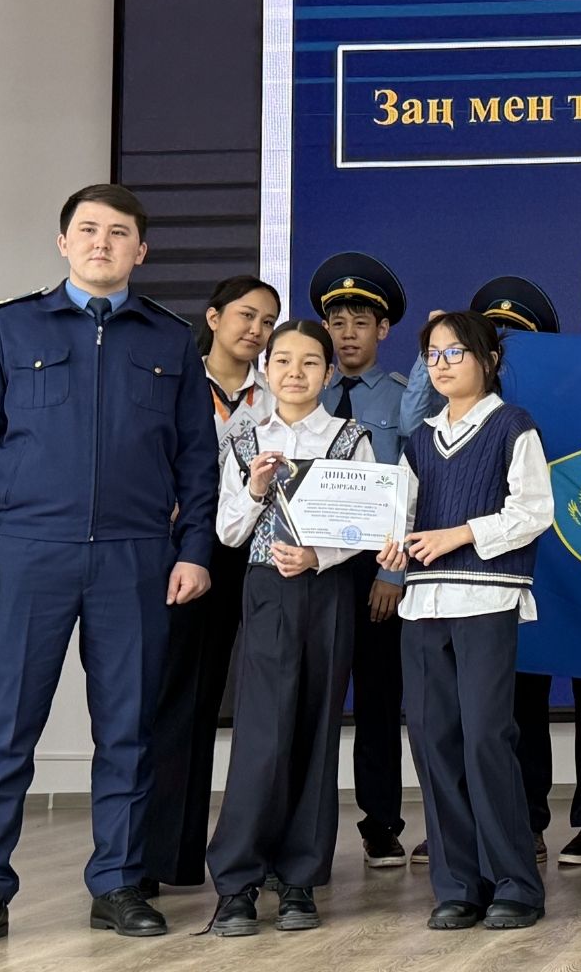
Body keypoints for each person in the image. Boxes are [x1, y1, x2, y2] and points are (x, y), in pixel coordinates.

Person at [0, 184, 216, 951]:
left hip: (136, 557)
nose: (101, 242)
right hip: (28, 552)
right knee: (5, 729)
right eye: (87, 229)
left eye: (118, 232)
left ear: (140, 251)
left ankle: (119, 884)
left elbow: (198, 463)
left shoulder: (170, 339)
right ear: (64, 243)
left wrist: (194, 550)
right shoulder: (9, 326)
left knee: (128, 729)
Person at [378, 310, 552, 931]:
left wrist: (457, 534)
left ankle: (515, 883)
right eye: (433, 354)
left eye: (455, 352)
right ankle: (457, 884)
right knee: (433, 741)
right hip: (423, 605)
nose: (442, 364)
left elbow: (534, 511)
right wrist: (389, 545)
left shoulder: (512, 426)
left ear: (489, 360)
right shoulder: (418, 441)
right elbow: (399, 518)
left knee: (485, 738)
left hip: (486, 600)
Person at [204, 320, 374, 936]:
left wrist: (318, 556)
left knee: (317, 728)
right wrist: (254, 489)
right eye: (282, 361)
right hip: (266, 591)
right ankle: (237, 882)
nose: (294, 373)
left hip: (327, 590)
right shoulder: (245, 439)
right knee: (261, 734)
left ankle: (299, 879)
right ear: (266, 369)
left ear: (328, 373)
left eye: (309, 362)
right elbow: (228, 532)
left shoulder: (351, 437)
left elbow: (366, 524)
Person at [142, 276, 280, 897]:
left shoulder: (275, 393)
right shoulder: (174, 379)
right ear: (215, 316)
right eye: (246, 315)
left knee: (265, 699)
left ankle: (265, 855)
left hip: (259, 553)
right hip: (186, 553)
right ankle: (164, 856)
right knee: (181, 698)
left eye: (268, 321)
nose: (257, 330)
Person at [310, 252, 415, 870]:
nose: (347, 334)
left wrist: (392, 572)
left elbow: (413, 487)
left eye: (360, 323)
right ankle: (308, 828)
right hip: (314, 567)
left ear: (383, 330)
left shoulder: (404, 400)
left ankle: (381, 822)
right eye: (337, 322)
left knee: (378, 699)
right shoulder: (305, 393)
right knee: (314, 699)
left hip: (376, 567)